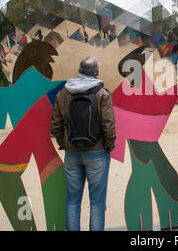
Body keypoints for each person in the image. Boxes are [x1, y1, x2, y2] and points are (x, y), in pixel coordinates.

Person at [51, 56, 116, 231]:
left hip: (72, 153)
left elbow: (55, 125)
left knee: (72, 200)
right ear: (97, 72)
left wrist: (65, 143)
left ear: (79, 71)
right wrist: (108, 147)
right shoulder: (102, 94)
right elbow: (108, 125)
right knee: (97, 203)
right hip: (97, 152)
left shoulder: (63, 93)